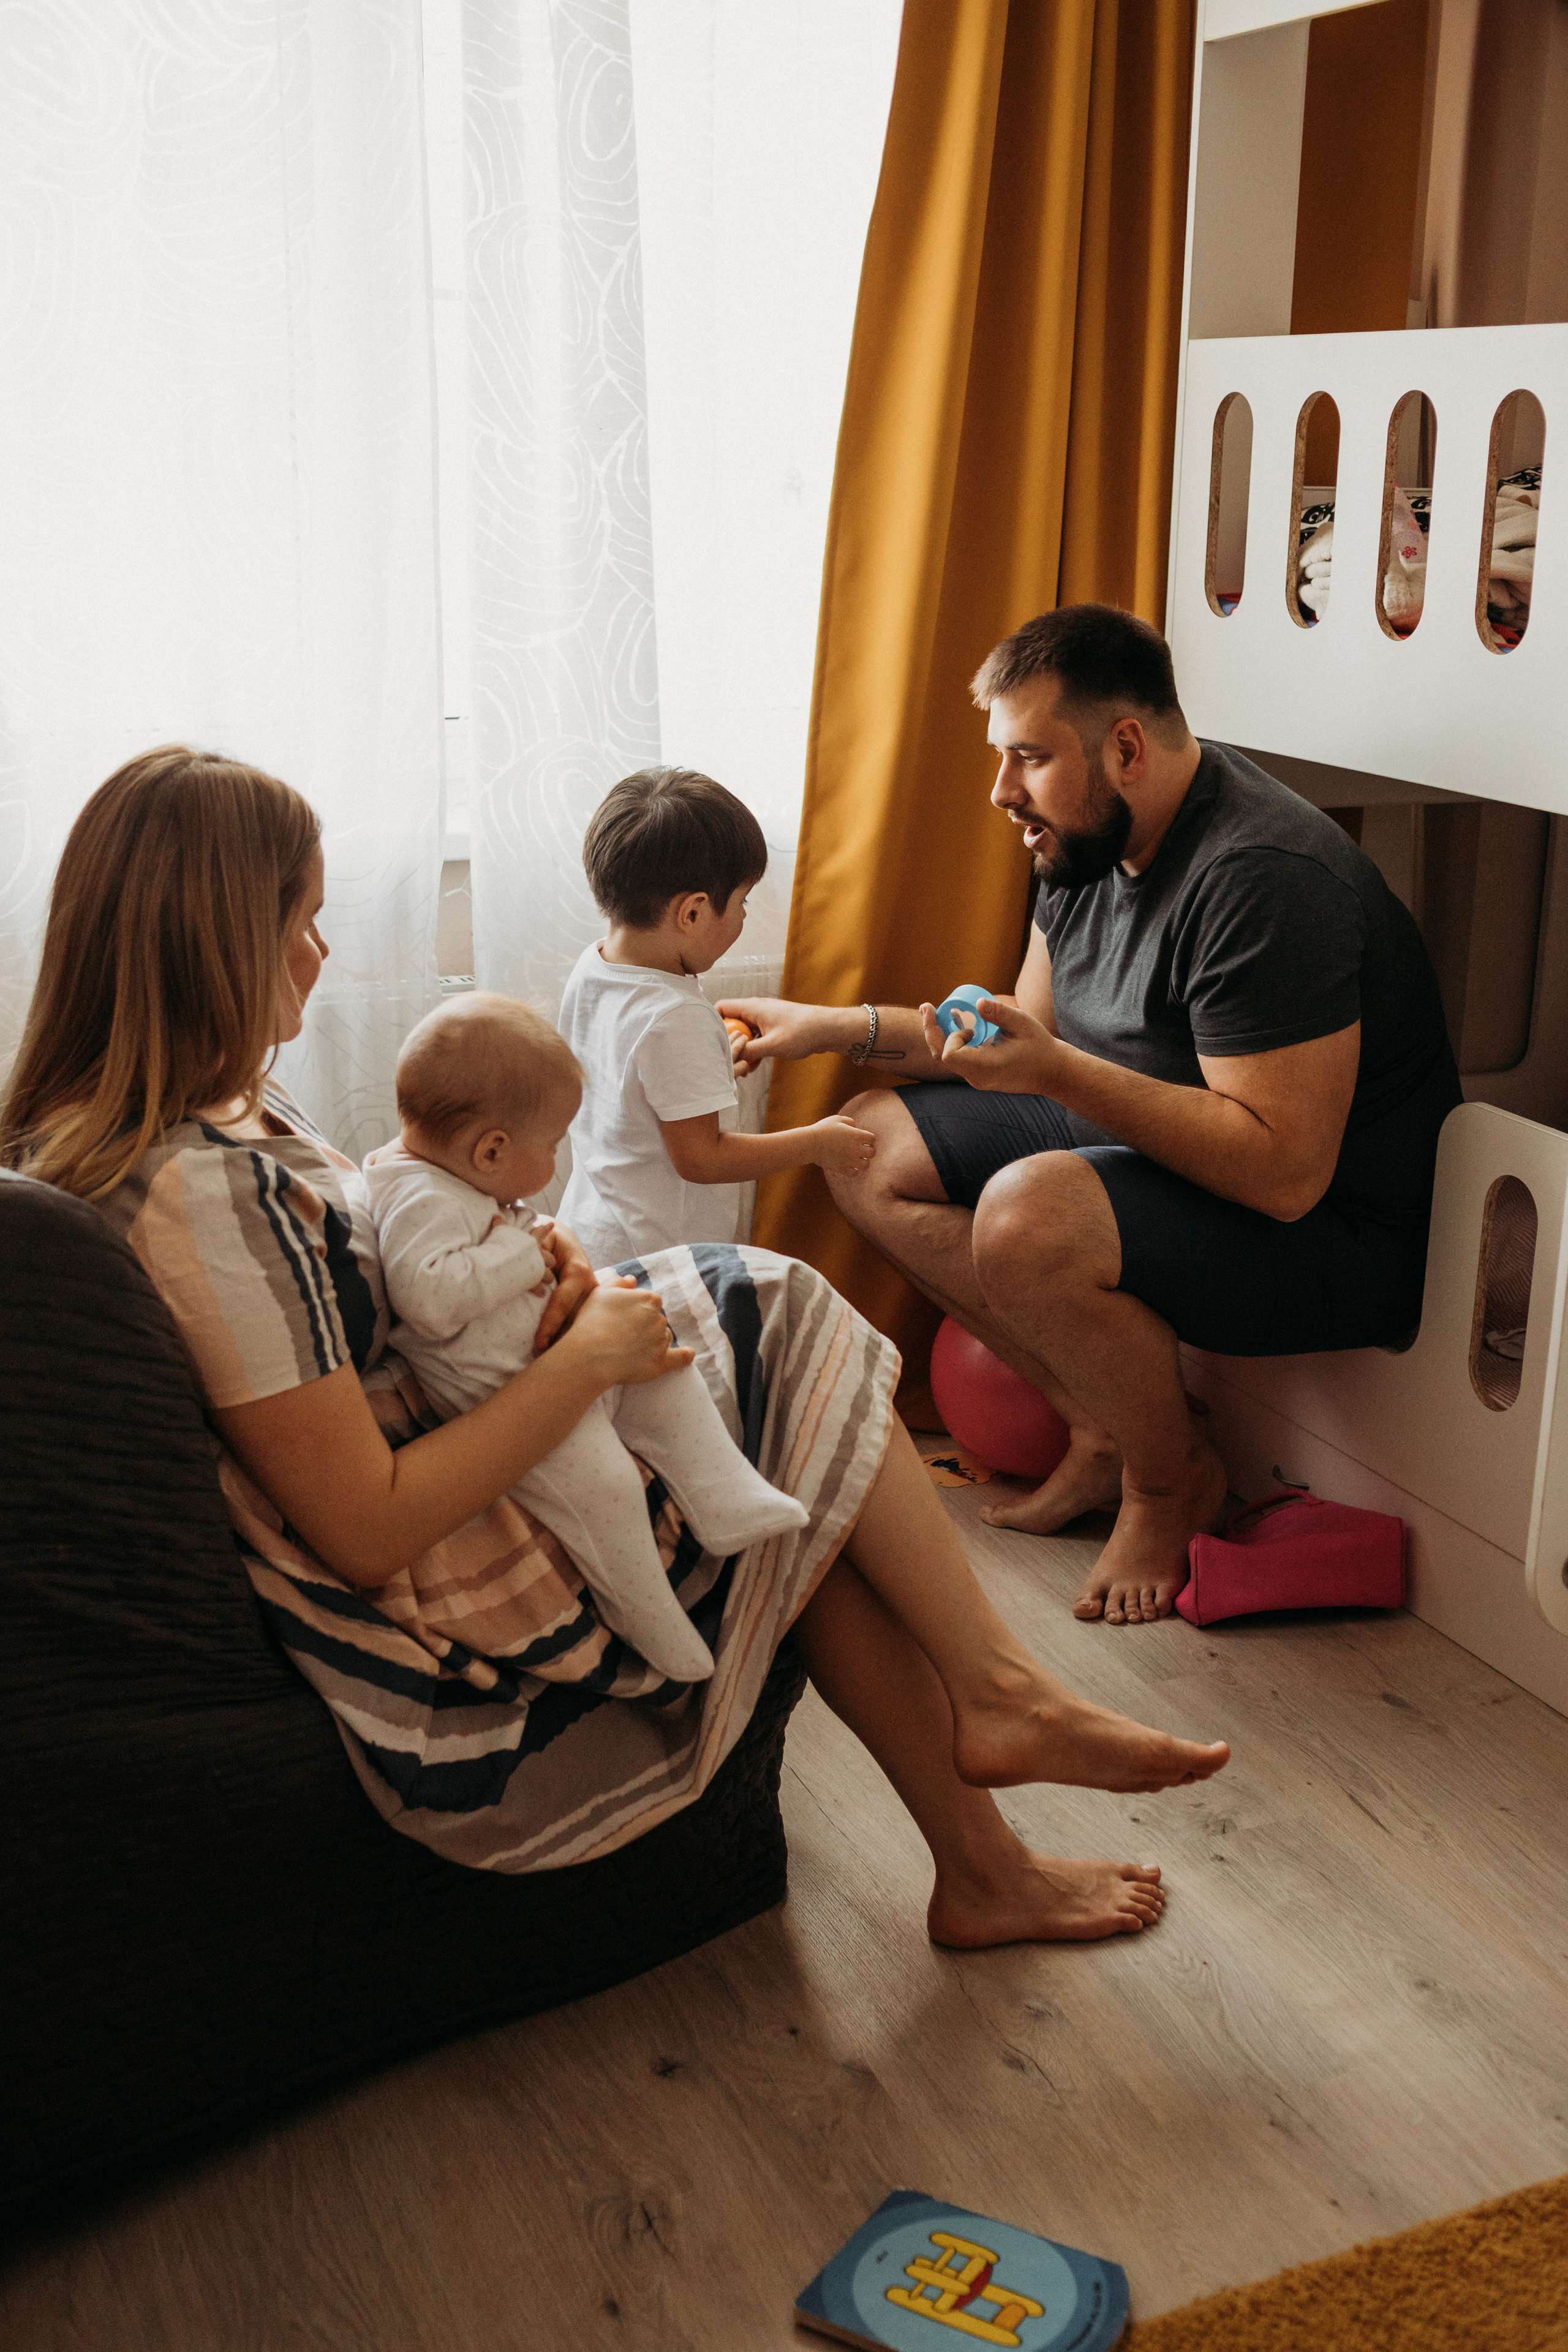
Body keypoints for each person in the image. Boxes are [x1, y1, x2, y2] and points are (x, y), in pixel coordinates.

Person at [1, 745, 1229, 1946]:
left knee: (769, 1382)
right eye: (303, 922)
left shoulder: (197, 1123)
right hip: (449, 1568)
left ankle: (985, 1828)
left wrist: (533, 1263)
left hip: (477, 1419)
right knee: (775, 1319)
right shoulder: (204, 1195)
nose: (321, 953)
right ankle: (996, 1727)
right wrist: (585, 1356)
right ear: (212, 937)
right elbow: (366, 1524)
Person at [722, 605, 1463, 1630]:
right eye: (1002, 756)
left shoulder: (1261, 879)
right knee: (866, 1143)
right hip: (1174, 1159)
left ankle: (1171, 1484)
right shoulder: (1081, 839)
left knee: (1032, 1213)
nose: (1000, 792)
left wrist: (1061, 1072)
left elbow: (1285, 1173)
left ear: (1124, 749)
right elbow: (1021, 1036)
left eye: (1028, 757)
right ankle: (1106, 1431)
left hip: (1333, 1233)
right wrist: (834, 1026)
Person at [364, 990, 807, 1685]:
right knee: (602, 1485)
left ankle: (723, 1493)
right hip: (512, 1397)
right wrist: (526, 1253)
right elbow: (429, 1298)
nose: (556, 1160)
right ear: (490, 1150)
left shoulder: (449, 1172)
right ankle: (645, 1613)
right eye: (552, 1145)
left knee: (664, 1366)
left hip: (557, 1355)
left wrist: (540, 1244)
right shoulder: (415, 1198)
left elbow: (502, 1238)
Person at [556, 766, 876, 1267]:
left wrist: (711, 1067)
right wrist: (815, 1143)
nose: (745, 916)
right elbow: (702, 1159)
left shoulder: (594, 967)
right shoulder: (675, 1014)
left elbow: (630, 1089)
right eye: (743, 901)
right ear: (693, 912)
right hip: (659, 1256)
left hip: (592, 1232)